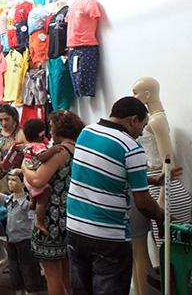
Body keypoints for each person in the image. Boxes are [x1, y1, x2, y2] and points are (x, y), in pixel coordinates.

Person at [66, 97, 165, 295]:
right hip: (108, 237)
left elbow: (103, 172)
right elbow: (143, 203)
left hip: (76, 230)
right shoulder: (132, 148)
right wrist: (163, 217)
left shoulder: (86, 133)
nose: (142, 133)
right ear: (133, 120)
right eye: (143, 126)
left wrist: (150, 180)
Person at [25, 109, 85, 295]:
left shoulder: (60, 152)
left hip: (52, 216)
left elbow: (37, 180)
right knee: (68, 272)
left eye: (51, 127)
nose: (50, 132)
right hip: (73, 215)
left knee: (52, 276)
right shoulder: (82, 150)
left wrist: (23, 167)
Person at [0, 170, 46, 294]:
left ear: (23, 183)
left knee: (29, 273)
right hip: (12, 241)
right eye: (9, 180)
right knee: (15, 273)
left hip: (26, 242)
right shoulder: (9, 200)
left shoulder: (28, 203)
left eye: (14, 180)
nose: (10, 183)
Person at [14, 118, 62, 237]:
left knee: (35, 195)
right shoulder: (39, 146)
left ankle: (32, 201)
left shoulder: (27, 146)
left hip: (27, 178)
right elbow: (42, 157)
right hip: (34, 177)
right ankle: (40, 222)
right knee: (43, 199)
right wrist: (53, 150)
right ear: (42, 134)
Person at [0, 103, 25, 178]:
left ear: (13, 118)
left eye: (6, 119)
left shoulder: (21, 134)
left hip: (17, 177)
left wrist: (25, 148)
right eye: (0, 120)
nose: (4, 123)